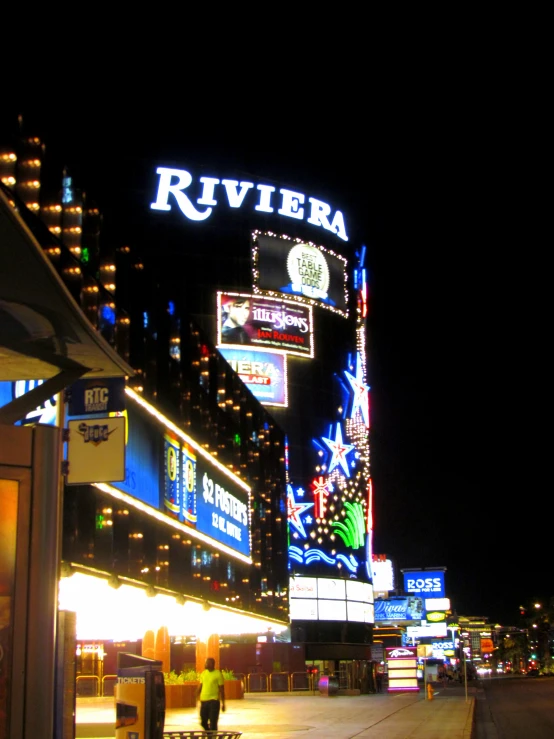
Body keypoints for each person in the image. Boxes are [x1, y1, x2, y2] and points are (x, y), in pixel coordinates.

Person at [197, 657, 225, 733]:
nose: (205, 664)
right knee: (203, 722)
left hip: (214, 701)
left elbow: (222, 689)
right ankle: (209, 734)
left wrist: (223, 703)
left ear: (212, 664)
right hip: (204, 701)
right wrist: (197, 694)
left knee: (213, 723)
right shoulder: (203, 673)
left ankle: (212, 736)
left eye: (207, 663)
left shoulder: (218, 674)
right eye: (205, 663)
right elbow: (201, 685)